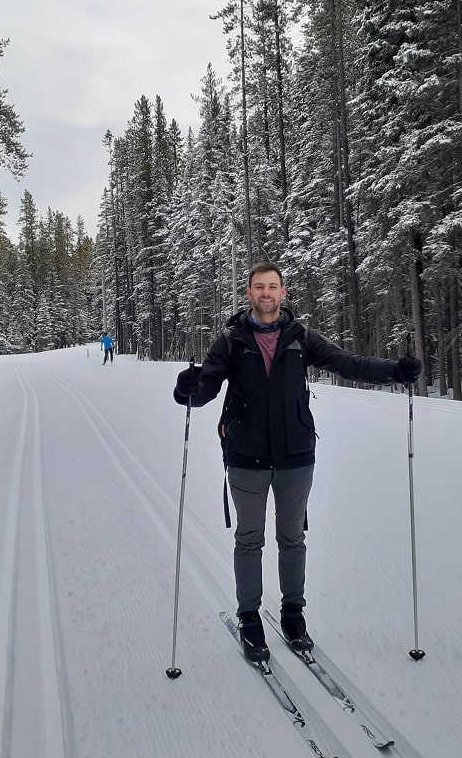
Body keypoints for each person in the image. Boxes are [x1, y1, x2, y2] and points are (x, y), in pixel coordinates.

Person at [172, 261, 421, 663]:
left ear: (283, 293)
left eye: (273, 287)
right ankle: (249, 616)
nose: (266, 294)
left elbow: (348, 363)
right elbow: (204, 389)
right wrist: (188, 388)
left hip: (295, 457)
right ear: (249, 294)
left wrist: (395, 371)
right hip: (245, 457)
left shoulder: (301, 337)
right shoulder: (232, 340)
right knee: (249, 540)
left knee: (292, 539)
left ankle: (293, 613)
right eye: (259, 287)